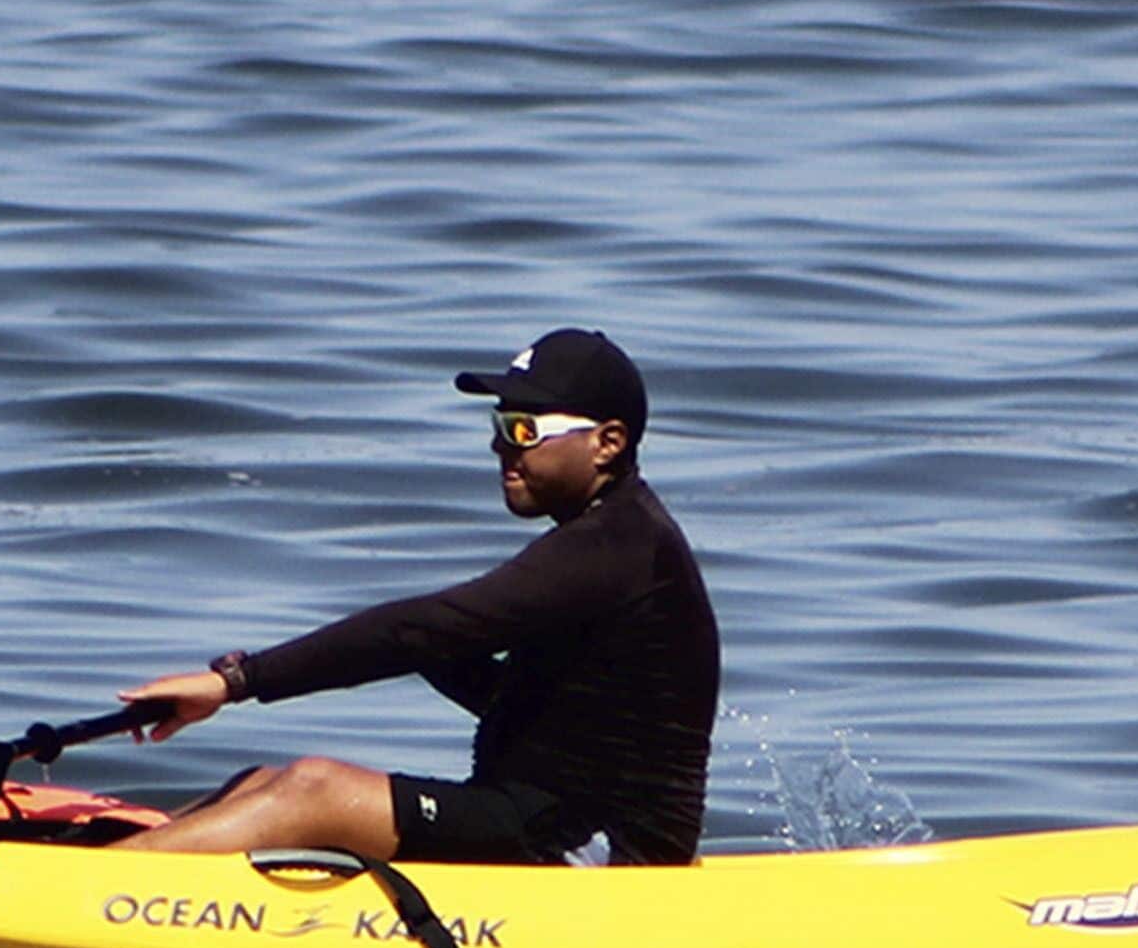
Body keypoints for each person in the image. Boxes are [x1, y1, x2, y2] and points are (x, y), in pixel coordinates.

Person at [116, 328, 720, 866]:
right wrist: (438, 651)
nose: (500, 447)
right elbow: (536, 711)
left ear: (607, 443)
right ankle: (108, 867)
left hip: (603, 850)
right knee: (258, 784)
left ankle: (78, 892)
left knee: (315, 788)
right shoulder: (608, 541)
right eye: (498, 426)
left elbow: (425, 627)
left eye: (523, 430)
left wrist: (235, 683)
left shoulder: (618, 546)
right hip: (537, 815)